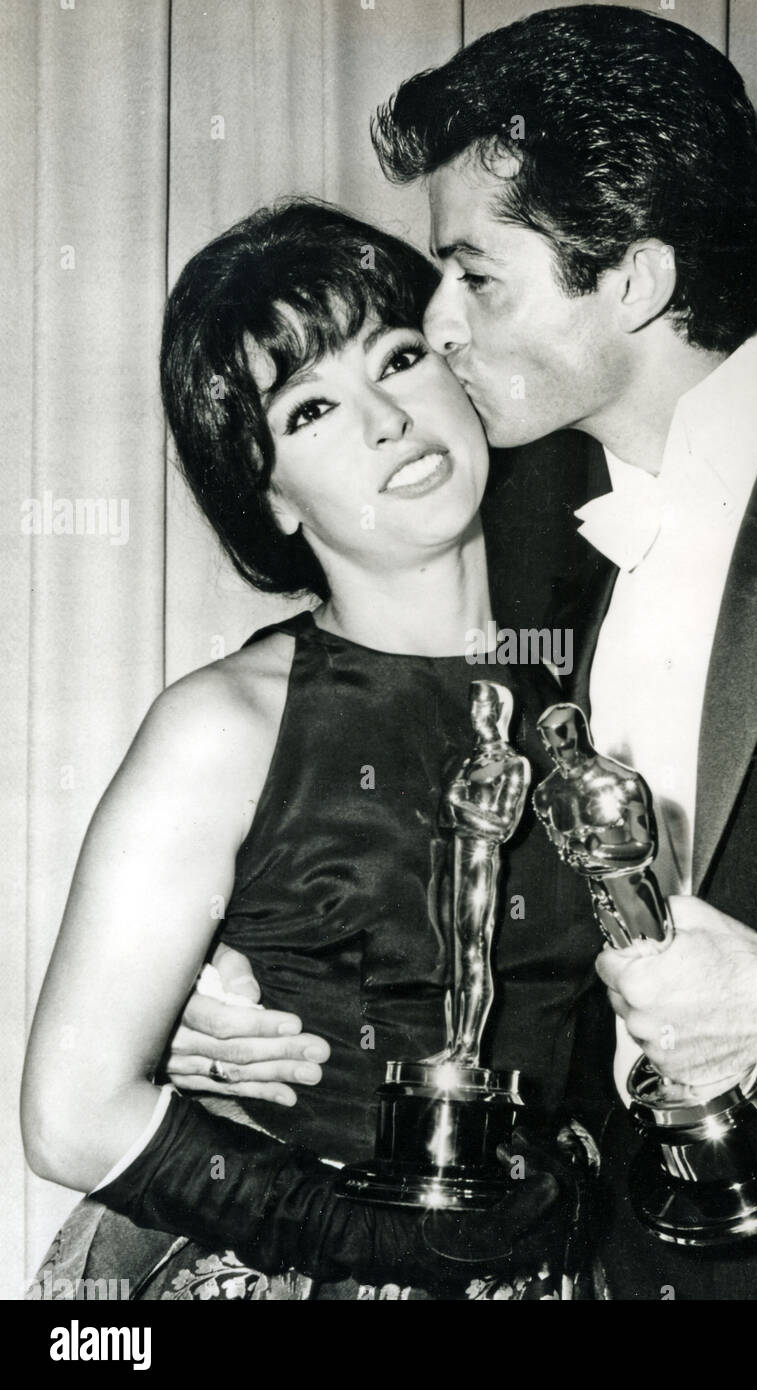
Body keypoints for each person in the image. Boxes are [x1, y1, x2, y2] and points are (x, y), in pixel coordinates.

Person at [179, 4, 757, 1300]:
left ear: (631, 277)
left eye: (474, 275)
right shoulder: (503, 543)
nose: (442, 326)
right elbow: (342, 757)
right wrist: (238, 969)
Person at [21, 197, 602, 1301]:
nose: (386, 417)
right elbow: (68, 1112)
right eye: (313, 408)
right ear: (271, 496)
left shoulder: (599, 690)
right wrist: (367, 1239)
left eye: (399, 356)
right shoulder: (227, 724)